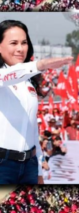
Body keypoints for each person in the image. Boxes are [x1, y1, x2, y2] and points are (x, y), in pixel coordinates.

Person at [0, 20, 73, 184]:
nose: (20, 48)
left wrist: (39, 167)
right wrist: (40, 64)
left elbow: (32, 130)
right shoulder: (4, 76)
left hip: (29, 166)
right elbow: (10, 75)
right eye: (13, 43)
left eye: (24, 43)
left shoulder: (29, 83)